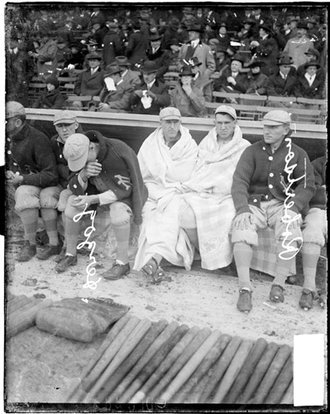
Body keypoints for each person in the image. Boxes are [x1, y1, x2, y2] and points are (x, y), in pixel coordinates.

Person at [231, 109, 315, 313]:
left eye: (273, 127)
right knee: (242, 230)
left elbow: (307, 186)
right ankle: (245, 288)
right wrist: (242, 208)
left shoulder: (298, 153)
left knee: (290, 231)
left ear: (286, 129)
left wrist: (294, 208)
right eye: (265, 127)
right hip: (255, 204)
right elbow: (239, 181)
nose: (267, 131)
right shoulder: (252, 151)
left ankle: (278, 285)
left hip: (282, 205)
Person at [57, 131, 148, 278]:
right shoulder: (84, 150)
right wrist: (83, 175)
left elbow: (125, 190)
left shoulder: (118, 151)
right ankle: (70, 253)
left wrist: (93, 199)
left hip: (122, 197)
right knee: (71, 205)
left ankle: (122, 263)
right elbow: (73, 184)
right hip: (96, 194)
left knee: (119, 214)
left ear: (92, 147)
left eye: (83, 160)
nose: (83, 164)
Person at [133, 107, 198, 281]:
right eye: (167, 122)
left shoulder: (188, 144)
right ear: (160, 123)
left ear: (180, 123)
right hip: (153, 189)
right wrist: (153, 188)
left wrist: (168, 180)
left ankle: (154, 259)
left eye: (175, 122)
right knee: (148, 217)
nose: (172, 126)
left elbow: (185, 174)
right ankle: (155, 263)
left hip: (178, 190)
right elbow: (142, 171)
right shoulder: (150, 143)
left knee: (169, 216)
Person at [5, 101, 60, 262]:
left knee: (24, 194)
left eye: (6, 120)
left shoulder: (37, 138)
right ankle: (31, 243)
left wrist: (22, 178)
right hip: (25, 181)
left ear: (17, 122)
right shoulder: (8, 135)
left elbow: (51, 175)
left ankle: (39, 244)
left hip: (46, 185)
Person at [300, 155, 327, 310]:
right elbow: (310, 190)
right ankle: (309, 286)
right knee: (311, 230)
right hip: (320, 210)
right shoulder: (319, 164)